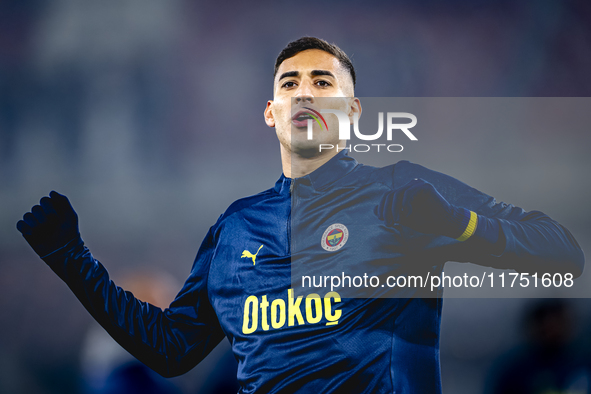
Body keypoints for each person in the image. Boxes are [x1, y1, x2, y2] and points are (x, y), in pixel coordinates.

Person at [16, 37, 584, 393]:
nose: (305, 92)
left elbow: (561, 252)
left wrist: (458, 227)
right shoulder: (235, 228)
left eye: (323, 81)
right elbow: (170, 348)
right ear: (271, 112)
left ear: (353, 109)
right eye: (290, 83)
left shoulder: (403, 191)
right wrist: (72, 259)